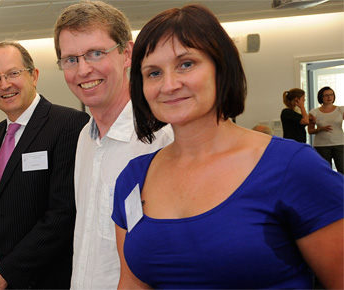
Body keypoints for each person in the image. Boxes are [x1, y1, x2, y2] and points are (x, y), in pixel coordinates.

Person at [114, 4, 343, 288]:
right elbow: (132, 282)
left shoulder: (293, 167)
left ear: (221, 69)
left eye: (186, 64)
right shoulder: (133, 179)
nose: (169, 85)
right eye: (153, 73)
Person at [51, 1, 173, 288]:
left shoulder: (160, 140)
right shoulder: (84, 138)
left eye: (95, 54)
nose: (82, 70)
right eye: (70, 59)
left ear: (127, 53)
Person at [0, 41, 89, 289]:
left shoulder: (69, 124)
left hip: (46, 280)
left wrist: (6, 272)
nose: (4, 85)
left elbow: (63, 214)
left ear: (34, 75)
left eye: (13, 73)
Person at [309, 87, 343, 173]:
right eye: (326, 95)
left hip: (339, 143)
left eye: (331, 94)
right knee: (324, 171)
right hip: (322, 145)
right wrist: (320, 129)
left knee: (342, 170)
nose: (329, 97)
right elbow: (310, 131)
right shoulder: (314, 112)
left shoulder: (341, 110)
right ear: (321, 97)